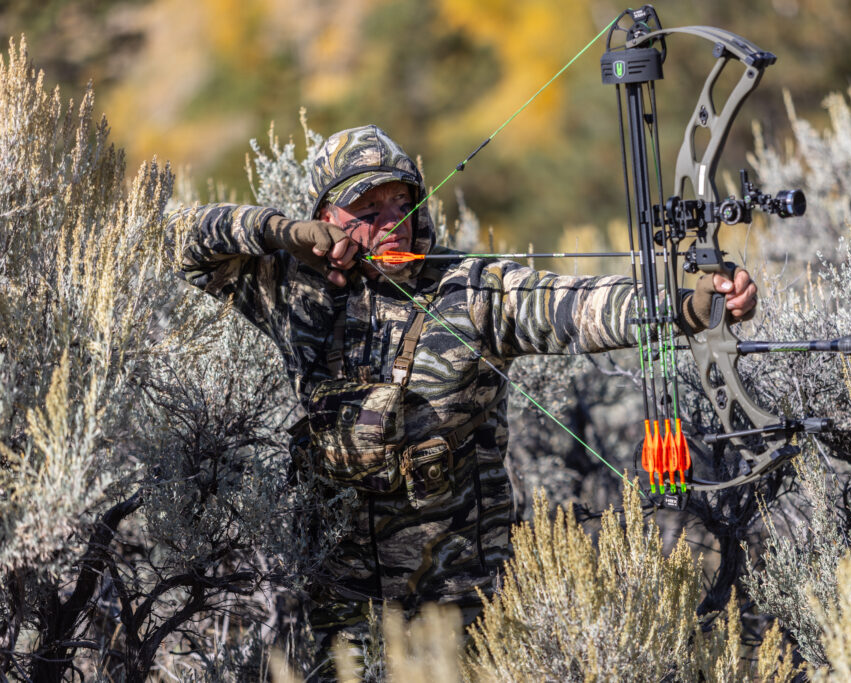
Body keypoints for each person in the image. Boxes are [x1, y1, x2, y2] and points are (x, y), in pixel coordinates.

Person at [164, 124, 757, 670]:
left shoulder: (470, 291)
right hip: (338, 600)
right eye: (367, 209)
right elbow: (174, 238)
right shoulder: (292, 288)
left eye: (404, 203)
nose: (392, 222)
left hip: (459, 604)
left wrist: (689, 307)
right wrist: (280, 233)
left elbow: (576, 304)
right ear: (326, 217)